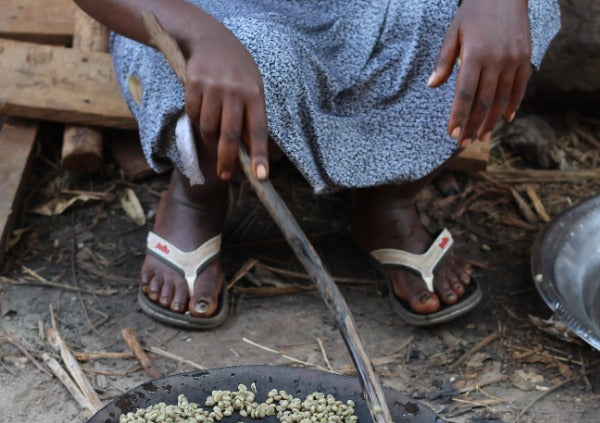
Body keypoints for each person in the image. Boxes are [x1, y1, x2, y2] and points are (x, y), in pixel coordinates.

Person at [75, 0, 560, 328]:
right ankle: (196, 196)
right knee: (250, 61)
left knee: (527, 9)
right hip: (199, 13)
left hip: (362, 12)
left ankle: (389, 198)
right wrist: (200, 34)